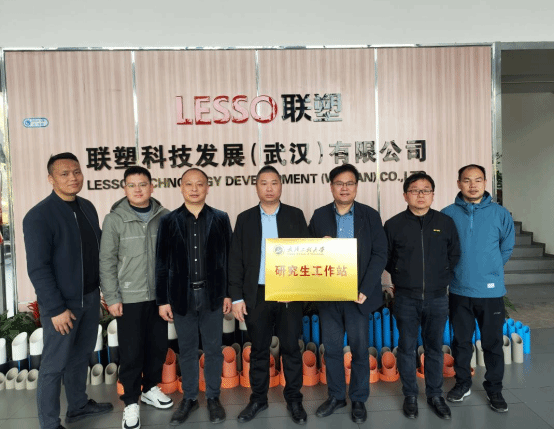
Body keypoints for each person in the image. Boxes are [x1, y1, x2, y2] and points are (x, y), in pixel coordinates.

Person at [23, 152, 113, 429]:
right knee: (54, 365)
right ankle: (49, 423)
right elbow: (38, 268)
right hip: (62, 305)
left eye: (76, 172)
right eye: (64, 173)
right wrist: (56, 309)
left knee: (80, 357)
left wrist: (104, 291)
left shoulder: (87, 207)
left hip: (89, 298)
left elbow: (97, 252)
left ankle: (78, 406)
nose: (73, 178)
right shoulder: (38, 216)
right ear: (51, 179)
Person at [229, 165, 309, 425]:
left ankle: (294, 399)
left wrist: (295, 289)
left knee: (291, 347)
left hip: (288, 293)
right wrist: (237, 298)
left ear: (281, 186)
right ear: (256, 187)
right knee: (259, 349)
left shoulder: (295, 215)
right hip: (258, 293)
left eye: (274, 182)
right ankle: (258, 399)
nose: (269, 188)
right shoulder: (245, 219)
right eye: (264, 183)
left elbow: (306, 253)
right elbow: (236, 260)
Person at [309, 163, 387, 423]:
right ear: (331, 187)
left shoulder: (370, 215)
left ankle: (359, 398)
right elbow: (306, 252)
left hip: (358, 297)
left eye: (349, 183)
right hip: (329, 296)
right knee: (331, 349)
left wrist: (366, 288)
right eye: (339, 183)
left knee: (360, 350)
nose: (344, 188)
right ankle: (336, 396)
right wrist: (318, 246)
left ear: (356, 186)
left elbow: (380, 253)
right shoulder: (319, 216)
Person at [155, 167, 232, 425]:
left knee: (213, 350)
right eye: (189, 184)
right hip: (181, 296)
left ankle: (213, 397)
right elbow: (161, 264)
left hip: (213, 296)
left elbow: (229, 259)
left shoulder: (221, 218)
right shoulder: (168, 221)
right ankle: (189, 398)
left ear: (208, 187)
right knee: (186, 350)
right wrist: (163, 300)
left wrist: (229, 294)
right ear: (181, 187)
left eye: (200, 183)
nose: (195, 188)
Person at [100, 166, 173, 429]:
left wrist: (169, 295)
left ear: (152, 187)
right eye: (131, 185)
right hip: (129, 297)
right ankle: (131, 401)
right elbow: (106, 260)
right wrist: (112, 296)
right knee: (131, 353)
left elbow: (172, 259)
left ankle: (150, 388)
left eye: (143, 184)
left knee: (157, 347)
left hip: (158, 298)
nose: (138, 189)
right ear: (125, 189)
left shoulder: (165, 216)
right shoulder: (114, 219)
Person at [384, 172, 460, 420]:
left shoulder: (445, 222)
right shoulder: (394, 224)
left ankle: (435, 395)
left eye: (426, 190)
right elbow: (387, 258)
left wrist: (441, 277)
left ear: (433, 195)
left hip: (437, 298)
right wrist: (401, 275)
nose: (420, 194)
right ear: (405, 195)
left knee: (434, 348)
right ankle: (410, 395)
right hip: (406, 298)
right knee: (406, 348)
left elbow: (454, 254)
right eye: (415, 190)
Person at [442, 164, 515, 412]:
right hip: (459, 291)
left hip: (491, 292)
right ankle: (462, 383)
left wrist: (490, 269)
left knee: (492, 343)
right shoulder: (447, 214)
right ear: (458, 183)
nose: (472, 185)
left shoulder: (500, 214)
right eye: (467, 180)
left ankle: (494, 389)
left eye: (478, 180)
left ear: (485, 182)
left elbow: (506, 247)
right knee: (461, 342)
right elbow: (442, 249)